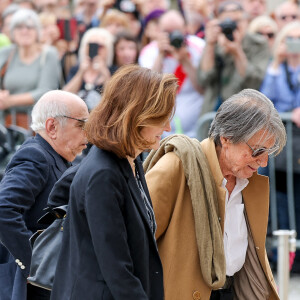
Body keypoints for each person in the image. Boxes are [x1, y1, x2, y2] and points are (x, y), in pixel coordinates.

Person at [144, 89, 286, 300]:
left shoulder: (250, 183)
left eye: (268, 153)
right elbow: (135, 242)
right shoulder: (176, 167)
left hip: (232, 292)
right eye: (257, 151)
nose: (263, 162)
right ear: (227, 138)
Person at [50, 65, 177, 300]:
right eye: (161, 119)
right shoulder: (103, 174)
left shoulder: (130, 159)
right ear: (136, 116)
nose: (168, 127)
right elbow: (117, 268)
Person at [0, 90, 89, 300]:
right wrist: (34, 264)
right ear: (52, 127)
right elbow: (4, 210)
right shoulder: (36, 156)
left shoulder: (57, 156)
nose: (88, 134)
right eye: (81, 125)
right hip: (30, 287)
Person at [139, 9, 205, 138]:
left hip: (195, 129)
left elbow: (202, 88)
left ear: (185, 28)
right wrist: (161, 55)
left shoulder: (199, 46)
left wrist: (185, 61)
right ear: (160, 30)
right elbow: (148, 88)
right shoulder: (150, 52)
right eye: (167, 32)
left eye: (176, 31)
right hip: (162, 131)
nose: (172, 36)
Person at [198, 1, 269, 115]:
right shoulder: (213, 43)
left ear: (246, 21)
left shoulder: (258, 44)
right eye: (226, 22)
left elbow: (253, 82)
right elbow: (203, 79)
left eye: (236, 21)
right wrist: (210, 45)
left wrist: (237, 52)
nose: (231, 27)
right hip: (213, 113)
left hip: (245, 114)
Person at [0, 8, 61, 130]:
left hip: (38, 127)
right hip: (7, 124)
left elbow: (46, 91)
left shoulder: (49, 54)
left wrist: (10, 101)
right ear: (12, 32)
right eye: (19, 27)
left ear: (37, 31)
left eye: (29, 27)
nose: (24, 31)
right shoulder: (6, 53)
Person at [63, 27, 114, 111]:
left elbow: (114, 98)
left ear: (108, 49)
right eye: (91, 45)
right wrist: (81, 72)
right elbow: (65, 95)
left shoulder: (113, 71)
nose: (96, 49)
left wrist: (104, 72)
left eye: (100, 46)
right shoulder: (76, 69)